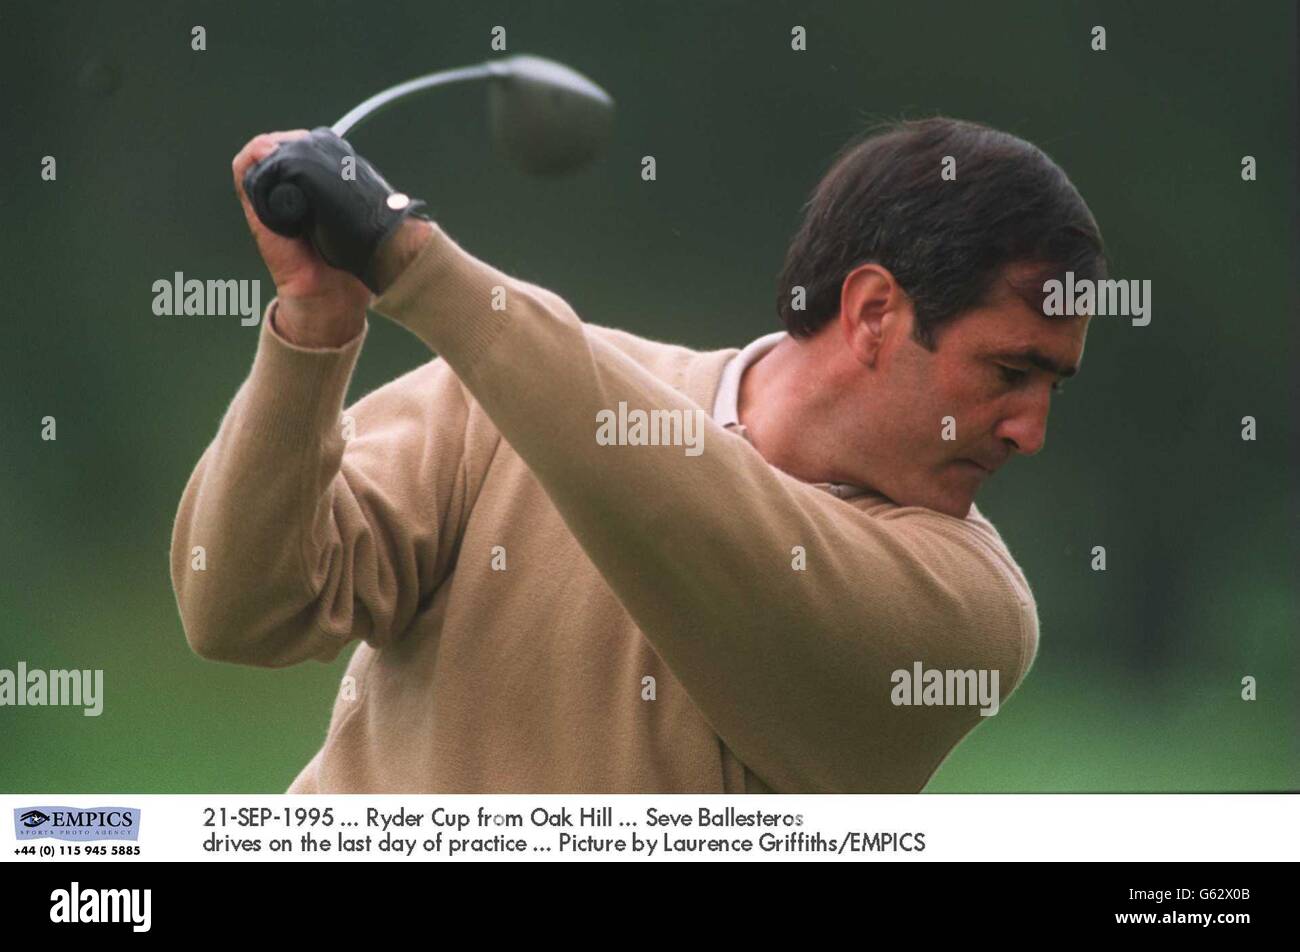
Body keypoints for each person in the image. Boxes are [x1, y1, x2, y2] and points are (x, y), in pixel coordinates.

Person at [170, 117, 1105, 793]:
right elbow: (239, 610)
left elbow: (687, 509)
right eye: (1011, 371)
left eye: (1052, 387)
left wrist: (415, 265)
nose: (1031, 431)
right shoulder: (502, 396)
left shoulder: (972, 618)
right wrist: (312, 332)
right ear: (871, 314)